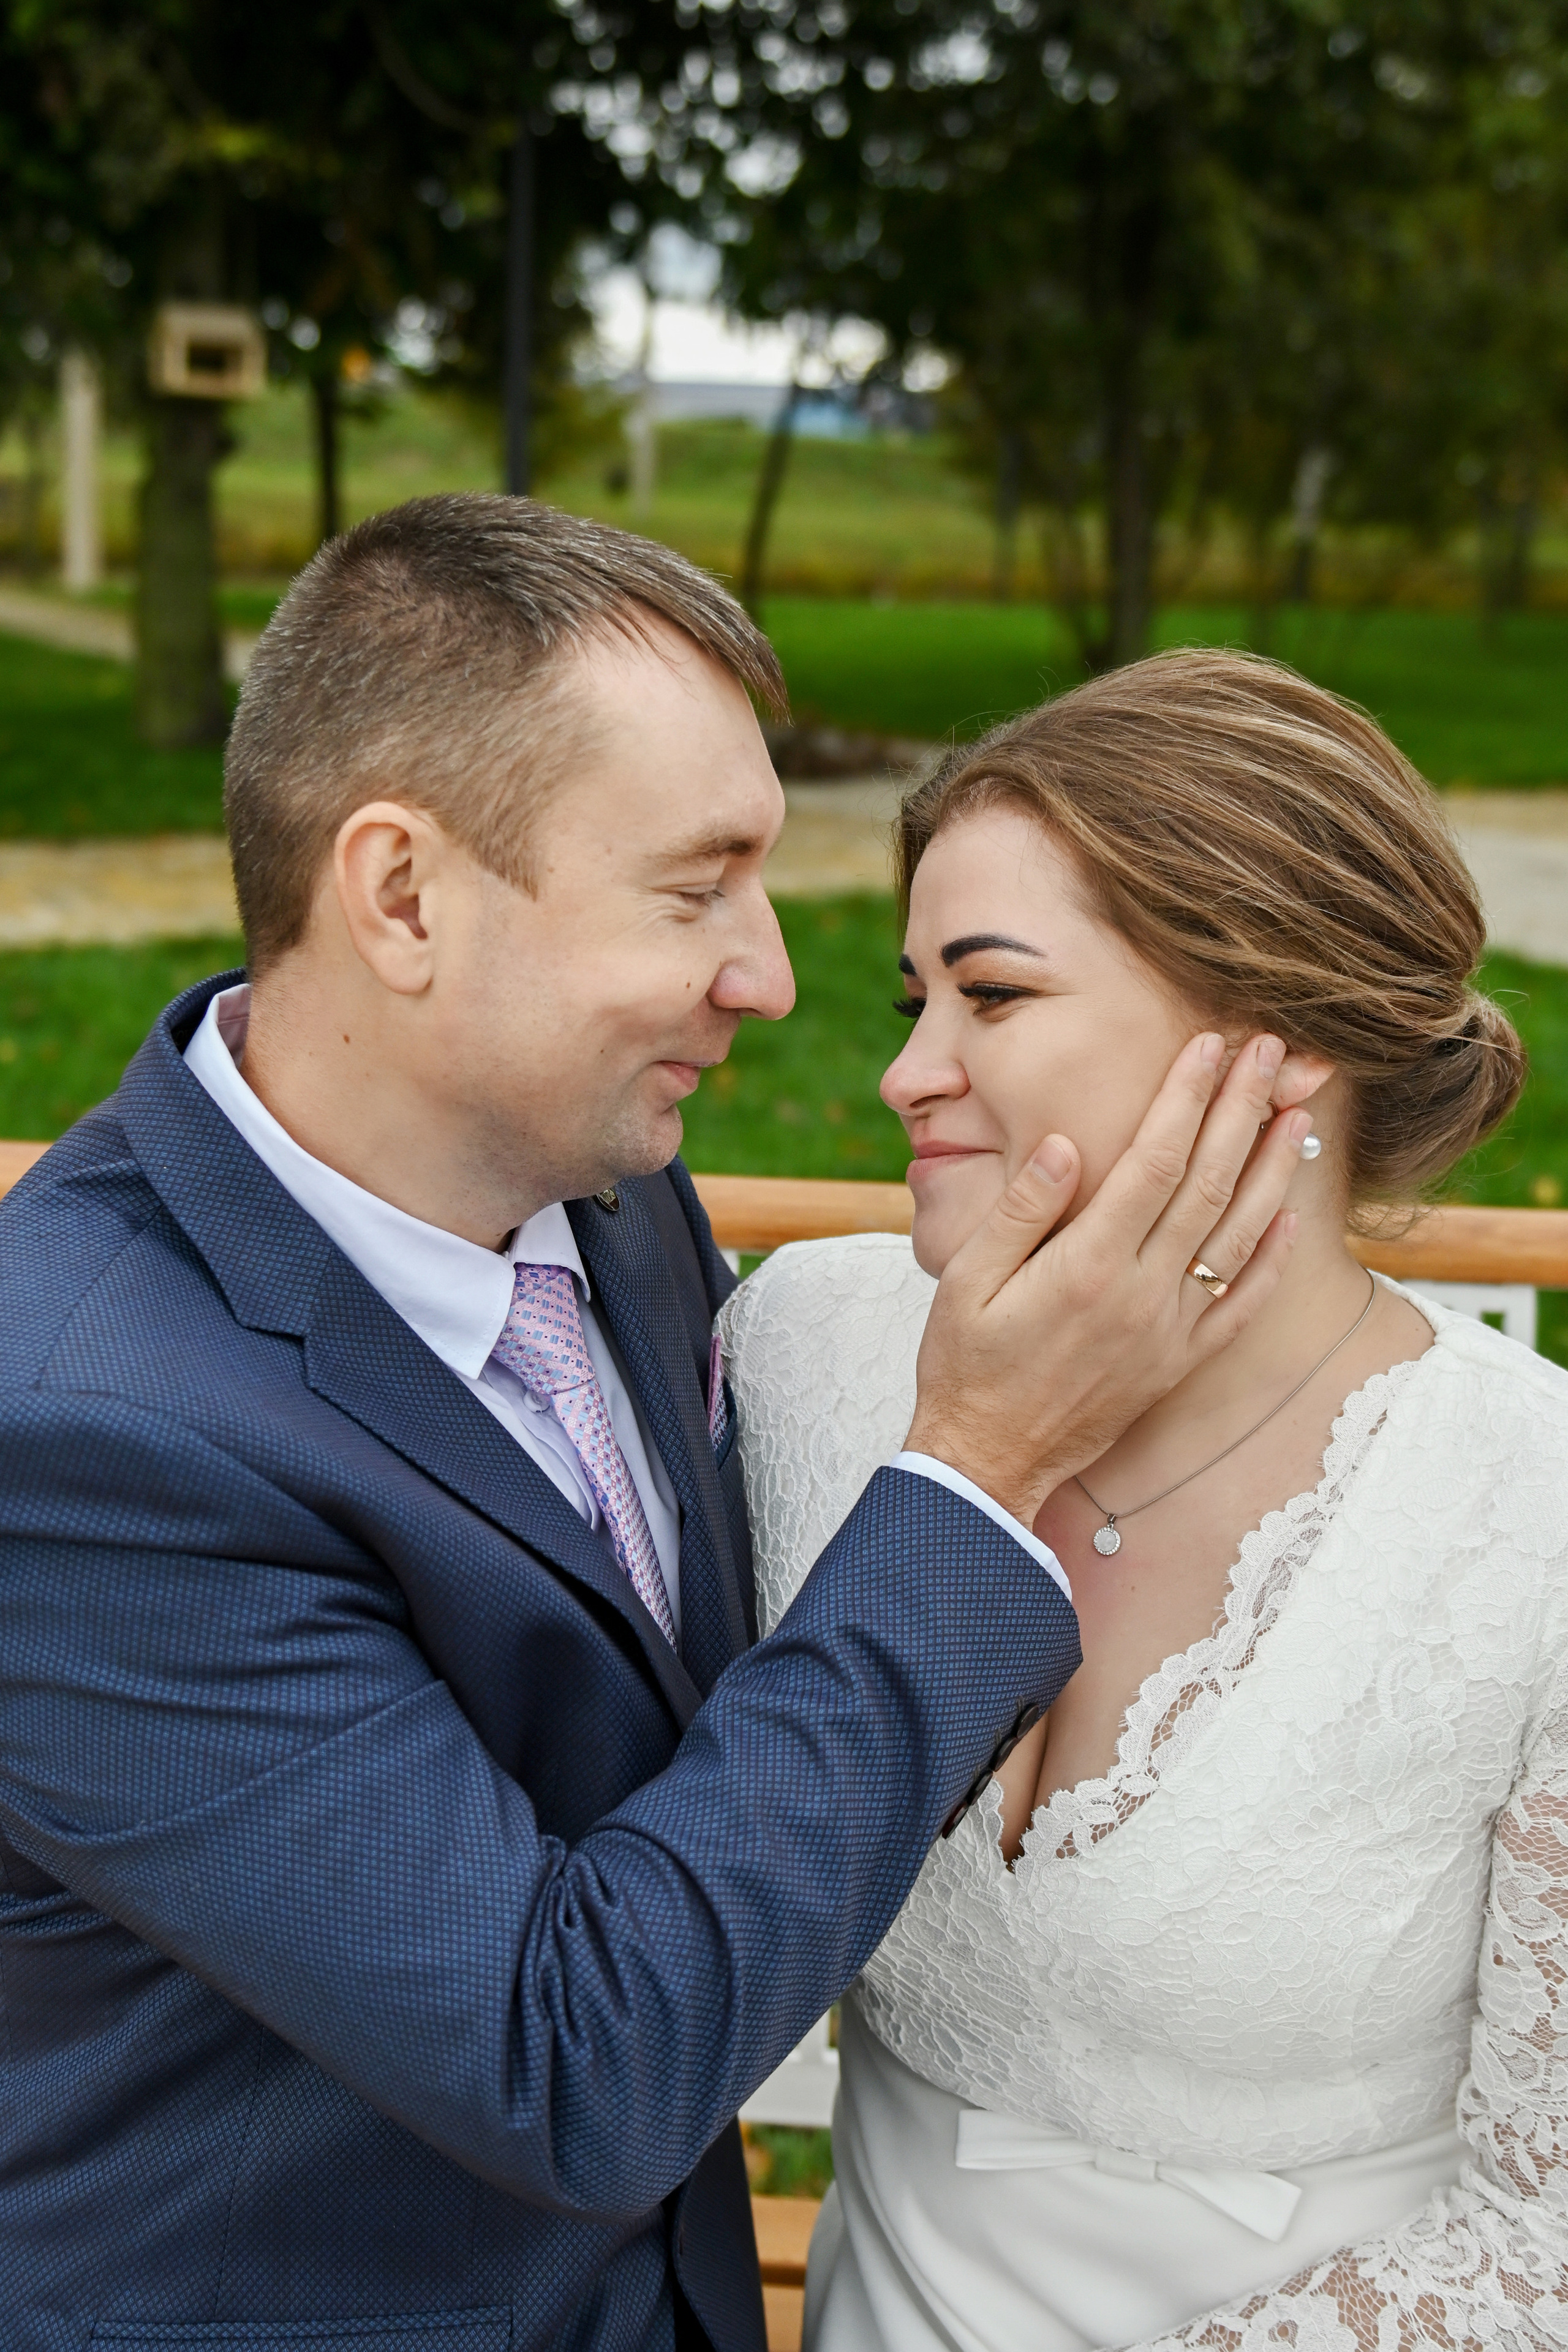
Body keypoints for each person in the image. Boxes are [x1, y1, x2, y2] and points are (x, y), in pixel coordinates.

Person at [0, 502, 1304, 2352]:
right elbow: (572, 2064)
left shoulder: (608, 1192)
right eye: (694, 893)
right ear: (400, 899)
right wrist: (981, 1468)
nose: (769, 975)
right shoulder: (78, 1435)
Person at [720, 646, 1568, 2352]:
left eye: (996, 996)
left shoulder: (1531, 1512)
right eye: (916, 1003)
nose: (906, 1075)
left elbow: (1544, 2233)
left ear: (1281, 1046)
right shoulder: (802, 1349)